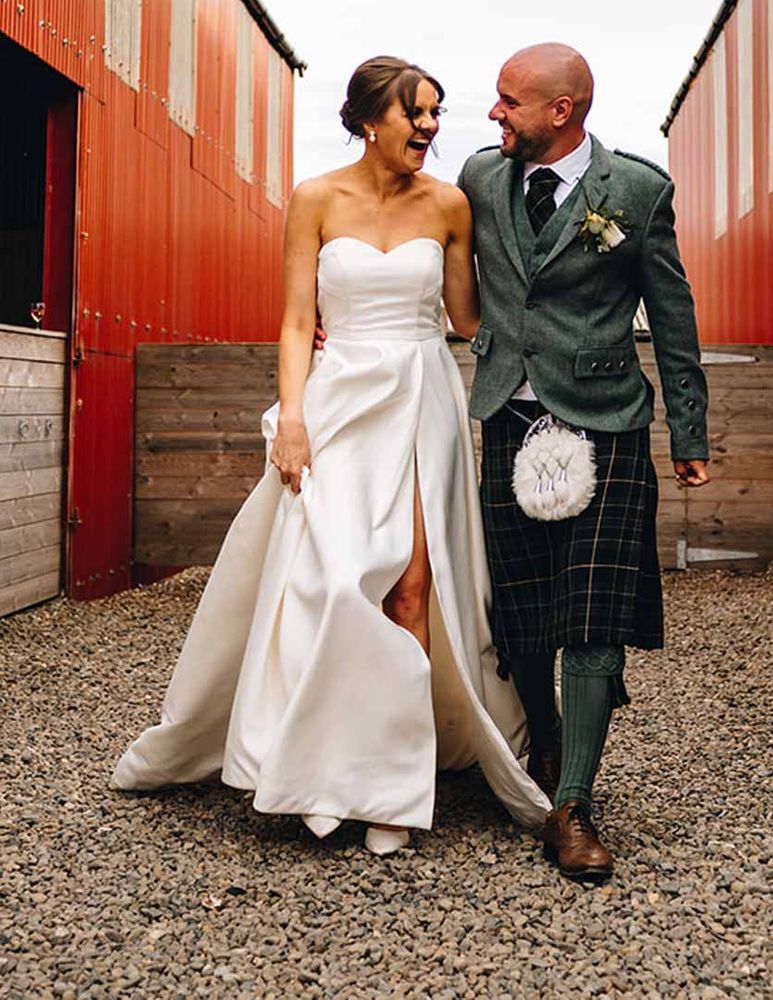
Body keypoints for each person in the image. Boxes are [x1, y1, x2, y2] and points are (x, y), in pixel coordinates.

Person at [111, 56, 549, 856]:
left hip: (422, 399)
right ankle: (325, 762)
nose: (429, 127)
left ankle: (393, 785)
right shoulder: (314, 198)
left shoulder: (450, 203)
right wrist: (294, 418)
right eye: (416, 112)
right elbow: (292, 320)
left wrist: (530, 266)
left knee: (414, 587)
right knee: (334, 578)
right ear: (368, 120)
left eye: (436, 113)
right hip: (340, 399)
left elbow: (465, 319)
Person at [458, 43, 711, 882]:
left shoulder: (638, 191)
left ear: (561, 111)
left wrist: (689, 433)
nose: (494, 113)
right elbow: (433, 263)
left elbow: (672, 317)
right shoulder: (479, 180)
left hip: (606, 423)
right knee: (523, 616)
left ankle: (573, 804)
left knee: (594, 616)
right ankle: (553, 738)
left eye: (509, 101)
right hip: (507, 419)